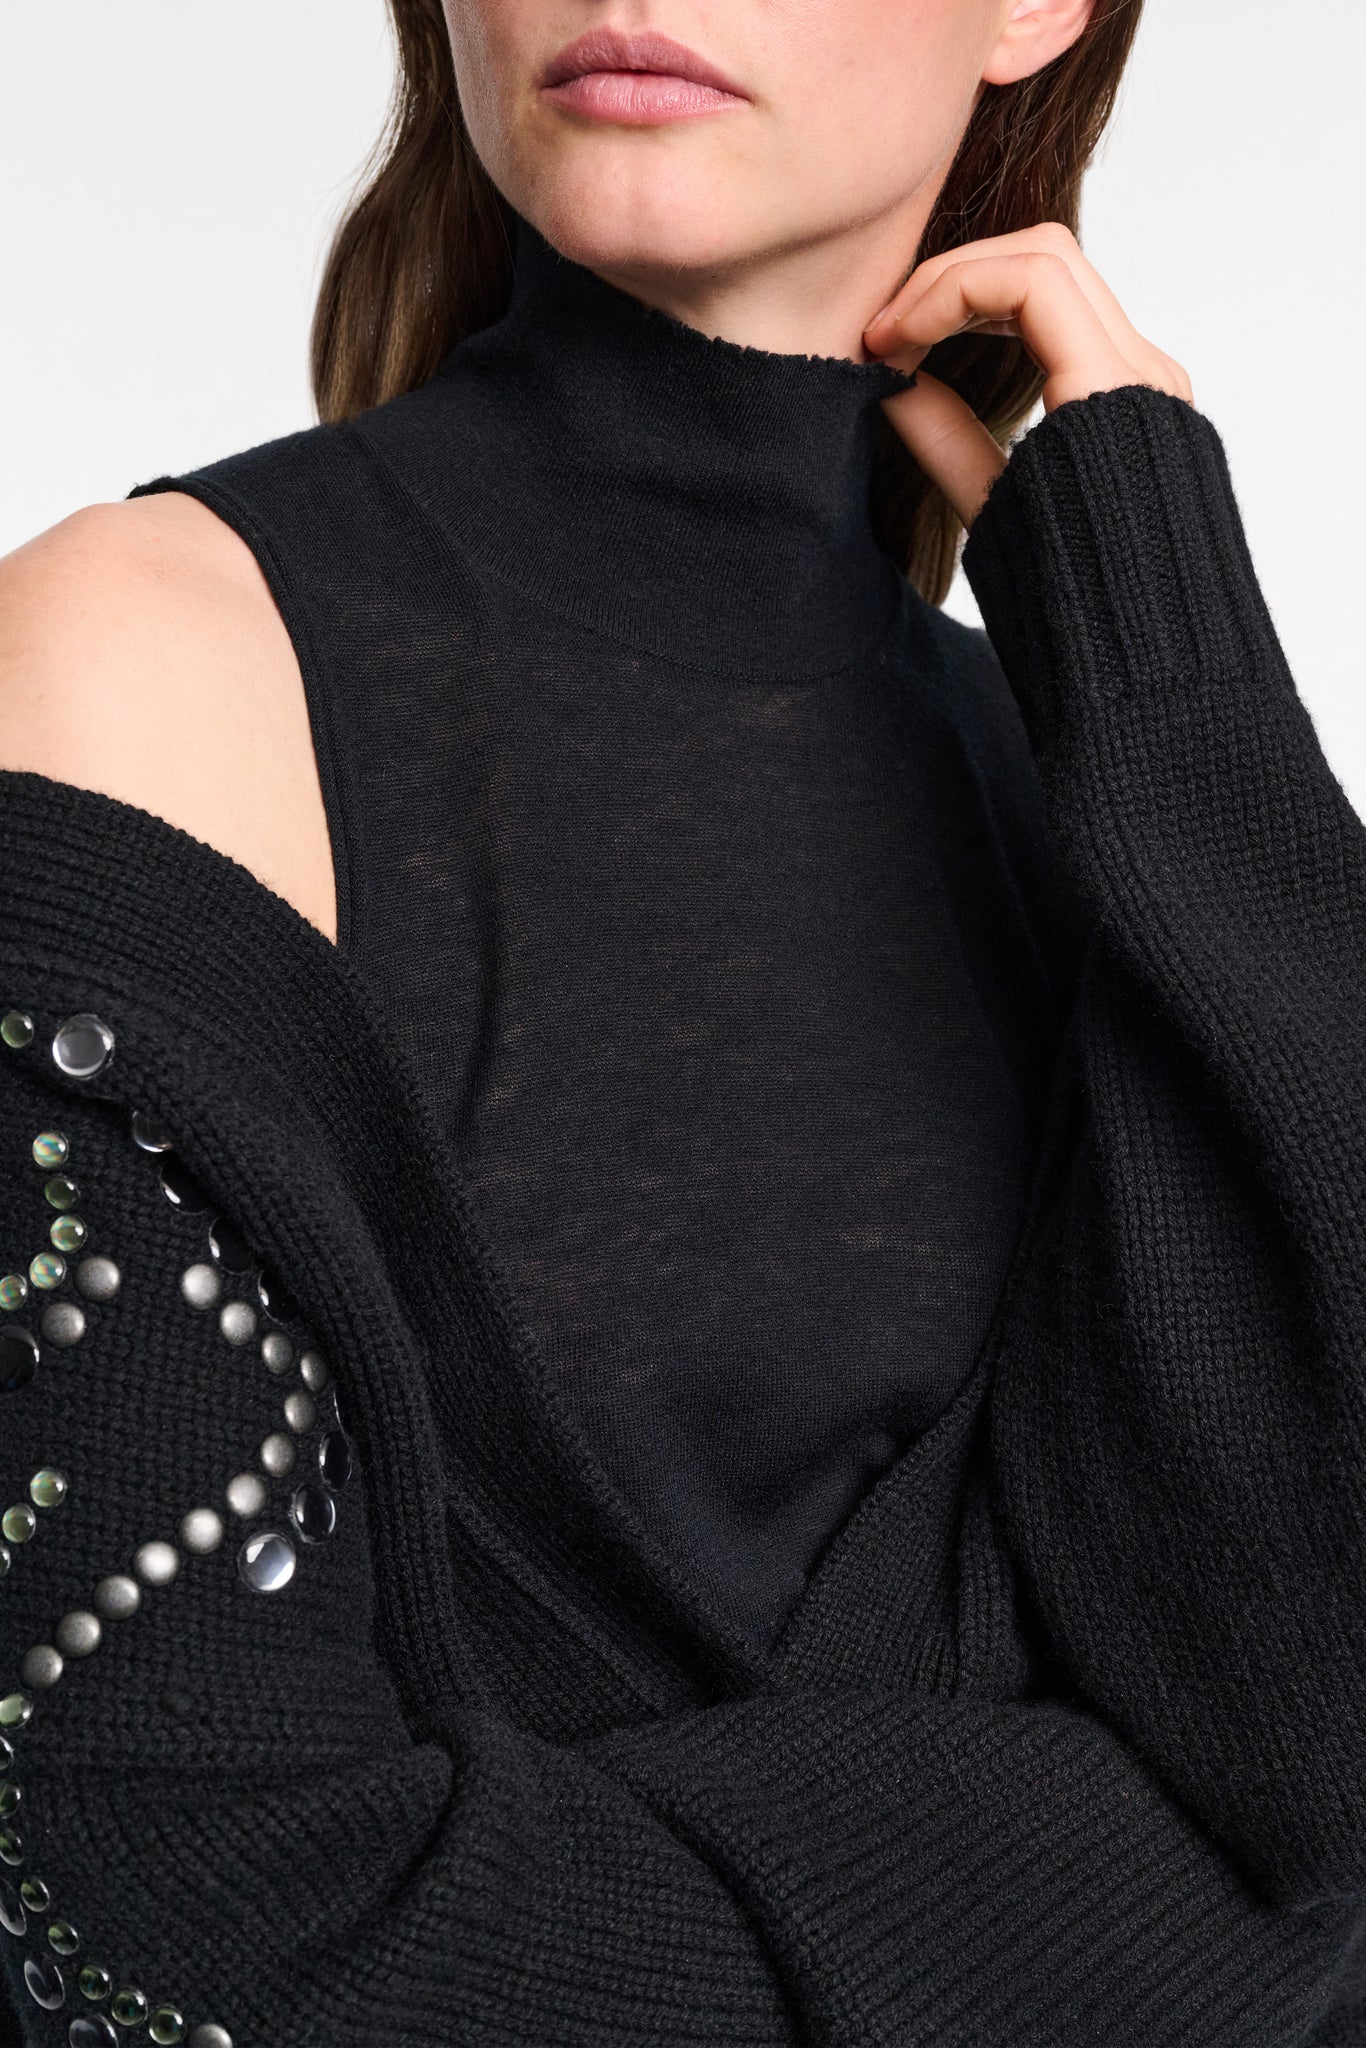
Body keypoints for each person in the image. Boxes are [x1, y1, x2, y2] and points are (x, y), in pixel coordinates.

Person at [0, 1, 1363, 2043]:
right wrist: (1183, 1937)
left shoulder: (1104, 798)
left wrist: (1179, 688)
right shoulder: (135, 667)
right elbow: (172, 1925)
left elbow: (1314, 1743)